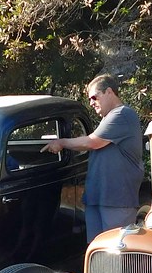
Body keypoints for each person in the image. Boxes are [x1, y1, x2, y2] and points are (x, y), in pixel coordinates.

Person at [41, 73, 144, 240]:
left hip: (117, 200)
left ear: (109, 92)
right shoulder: (107, 119)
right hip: (97, 197)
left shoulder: (122, 115)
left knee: (116, 252)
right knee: (97, 251)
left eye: (94, 97)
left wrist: (61, 142)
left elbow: (92, 142)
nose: (91, 103)